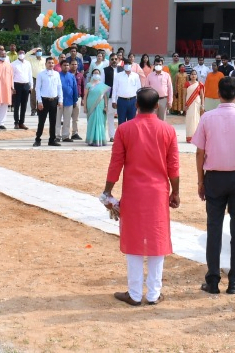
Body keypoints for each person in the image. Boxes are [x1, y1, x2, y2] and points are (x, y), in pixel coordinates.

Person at [103, 87, 180, 306]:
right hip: (158, 192)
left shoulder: (125, 129)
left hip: (134, 192)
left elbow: (115, 163)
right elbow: (173, 166)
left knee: (134, 238)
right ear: (157, 106)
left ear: (136, 104)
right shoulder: (167, 130)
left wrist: (107, 192)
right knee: (157, 238)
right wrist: (176, 192)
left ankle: (135, 293)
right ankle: (154, 293)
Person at [192, 75, 235, 296]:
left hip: (215, 178)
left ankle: (212, 280)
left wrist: (200, 180)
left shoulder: (207, 118)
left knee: (214, 229)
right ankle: (234, 281)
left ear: (218, 94)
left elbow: (199, 152)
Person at [33, 54, 62, 147]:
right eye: (49, 63)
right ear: (45, 64)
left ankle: (52, 140)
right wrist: (39, 101)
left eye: (52, 63)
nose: (51, 64)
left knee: (53, 121)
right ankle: (38, 139)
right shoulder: (41, 74)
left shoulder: (56, 74)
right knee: (41, 121)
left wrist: (60, 100)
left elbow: (59, 87)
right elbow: (37, 88)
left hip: (54, 100)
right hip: (44, 100)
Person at [56, 57, 81, 141]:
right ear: (61, 66)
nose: (66, 67)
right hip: (59, 101)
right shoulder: (57, 75)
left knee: (67, 120)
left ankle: (65, 136)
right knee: (58, 120)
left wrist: (75, 101)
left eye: (67, 65)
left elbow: (74, 89)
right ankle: (57, 136)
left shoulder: (71, 76)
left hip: (69, 101)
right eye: (64, 65)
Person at [84, 68, 109, 146]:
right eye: (94, 73)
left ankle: (99, 139)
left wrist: (106, 106)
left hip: (100, 105)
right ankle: (91, 140)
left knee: (100, 122)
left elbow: (105, 97)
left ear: (100, 75)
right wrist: (85, 107)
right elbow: (85, 97)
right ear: (92, 75)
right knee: (91, 121)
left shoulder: (103, 86)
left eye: (97, 73)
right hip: (90, 105)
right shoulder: (88, 85)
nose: (96, 74)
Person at [111, 59, 141, 126]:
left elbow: (139, 89)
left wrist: (139, 101)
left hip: (133, 101)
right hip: (121, 101)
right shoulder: (118, 75)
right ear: (123, 65)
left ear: (131, 65)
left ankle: (131, 136)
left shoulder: (135, 76)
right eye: (126, 64)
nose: (127, 65)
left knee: (132, 122)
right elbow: (115, 89)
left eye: (129, 64)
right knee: (121, 121)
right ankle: (122, 136)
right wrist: (114, 101)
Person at [10, 49, 32, 129]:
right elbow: (11, 77)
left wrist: (31, 86)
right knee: (16, 105)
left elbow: (30, 74)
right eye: (20, 53)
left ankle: (21, 122)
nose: (21, 54)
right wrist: (12, 87)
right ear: (17, 54)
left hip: (26, 85)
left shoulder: (28, 63)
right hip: (17, 85)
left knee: (24, 105)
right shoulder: (13, 64)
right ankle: (16, 122)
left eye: (23, 53)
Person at [183, 66, 204, 143]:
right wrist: (184, 105)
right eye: (192, 74)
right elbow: (184, 95)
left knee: (196, 119)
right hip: (189, 103)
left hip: (196, 103)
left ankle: (196, 137)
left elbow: (202, 95)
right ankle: (189, 137)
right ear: (190, 75)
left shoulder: (200, 84)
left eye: (195, 74)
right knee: (189, 118)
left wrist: (203, 105)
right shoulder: (187, 84)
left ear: (197, 76)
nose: (193, 75)